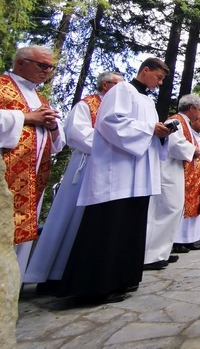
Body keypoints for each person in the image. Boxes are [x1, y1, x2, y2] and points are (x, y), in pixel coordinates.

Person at [55, 57, 173, 304]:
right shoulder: (122, 90)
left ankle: (122, 279)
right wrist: (149, 130)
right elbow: (109, 122)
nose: (160, 83)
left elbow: (147, 129)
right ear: (145, 70)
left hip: (138, 173)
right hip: (117, 173)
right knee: (109, 225)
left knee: (129, 226)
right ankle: (95, 287)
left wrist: (161, 132)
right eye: (158, 77)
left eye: (162, 80)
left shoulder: (147, 101)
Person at [25, 71, 124, 287]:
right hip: (86, 165)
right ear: (106, 85)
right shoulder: (87, 105)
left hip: (111, 167)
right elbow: (76, 134)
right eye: (119, 85)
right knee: (71, 216)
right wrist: (114, 145)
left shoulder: (119, 109)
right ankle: (54, 272)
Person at [0, 45, 66, 282]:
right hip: (7, 175)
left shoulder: (40, 98)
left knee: (22, 236)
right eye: (42, 65)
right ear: (20, 62)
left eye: (50, 67)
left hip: (32, 178)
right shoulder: (2, 86)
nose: (47, 71)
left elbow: (57, 144)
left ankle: (11, 292)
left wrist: (51, 125)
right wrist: (26, 117)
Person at [143, 94, 200, 269]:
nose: (199, 114)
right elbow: (174, 144)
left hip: (176, 170)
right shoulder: (175, 120)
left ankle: (162, 252)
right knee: (166, 209)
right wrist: (194, 150)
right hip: (168, 171)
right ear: (191, 108)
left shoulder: (183, 122)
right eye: (198, 110)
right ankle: (151, 256)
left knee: (173, 210)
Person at [173, 113, 200, 252]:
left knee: (196, 208)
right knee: (184, 207)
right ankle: (178, 240)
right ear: (193, 121)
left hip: (198, 177)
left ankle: (189, 238)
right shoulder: (186, 134)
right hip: (187, 175)